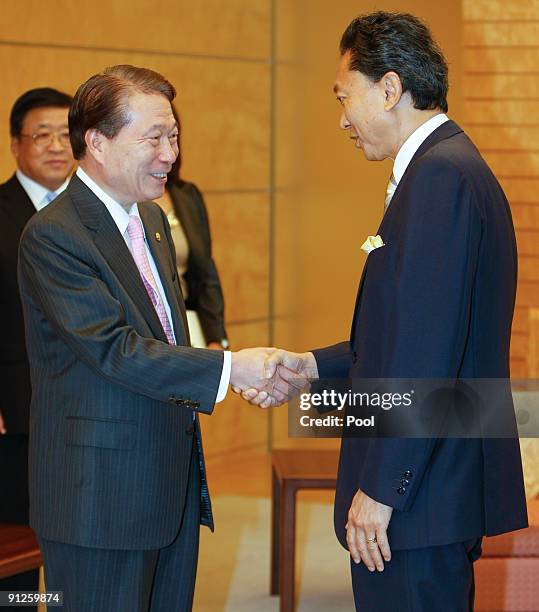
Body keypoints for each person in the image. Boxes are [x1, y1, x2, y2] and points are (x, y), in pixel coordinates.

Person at [242, 12, 528, 611]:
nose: (342, 119)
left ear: (391, 88)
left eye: (345, 97)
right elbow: (411, 332)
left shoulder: (439, 179)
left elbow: (425, 354)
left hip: (418, 495)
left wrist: (382, 489)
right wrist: (313, 367)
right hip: (432, 485)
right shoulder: (447, 167)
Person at [18, 65, 283, 612]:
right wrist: (231, 371)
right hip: (98, 498)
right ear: (96, 141)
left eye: (174, 136)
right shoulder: (54, 235)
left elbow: (167, 332)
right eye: (154, 138)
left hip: (169, 483)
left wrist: (225, 365)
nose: (170, 153)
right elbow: (113, 348)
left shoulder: (154, 221)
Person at [0, 87, 74, 607]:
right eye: (41, 134)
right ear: (15, 145)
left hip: (79, 406)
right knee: (18, 542)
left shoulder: (95, 213)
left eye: (66, 134)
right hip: (12, 408)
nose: (55, 145)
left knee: (74, 533)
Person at [154, 105, 228, 350]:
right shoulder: (123, 199)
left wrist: (216, 339)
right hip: (144, 336)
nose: (165, 148)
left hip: (189, 326)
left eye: (172, 136)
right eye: (154, 137)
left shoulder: (186, 195)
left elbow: (205, 271)